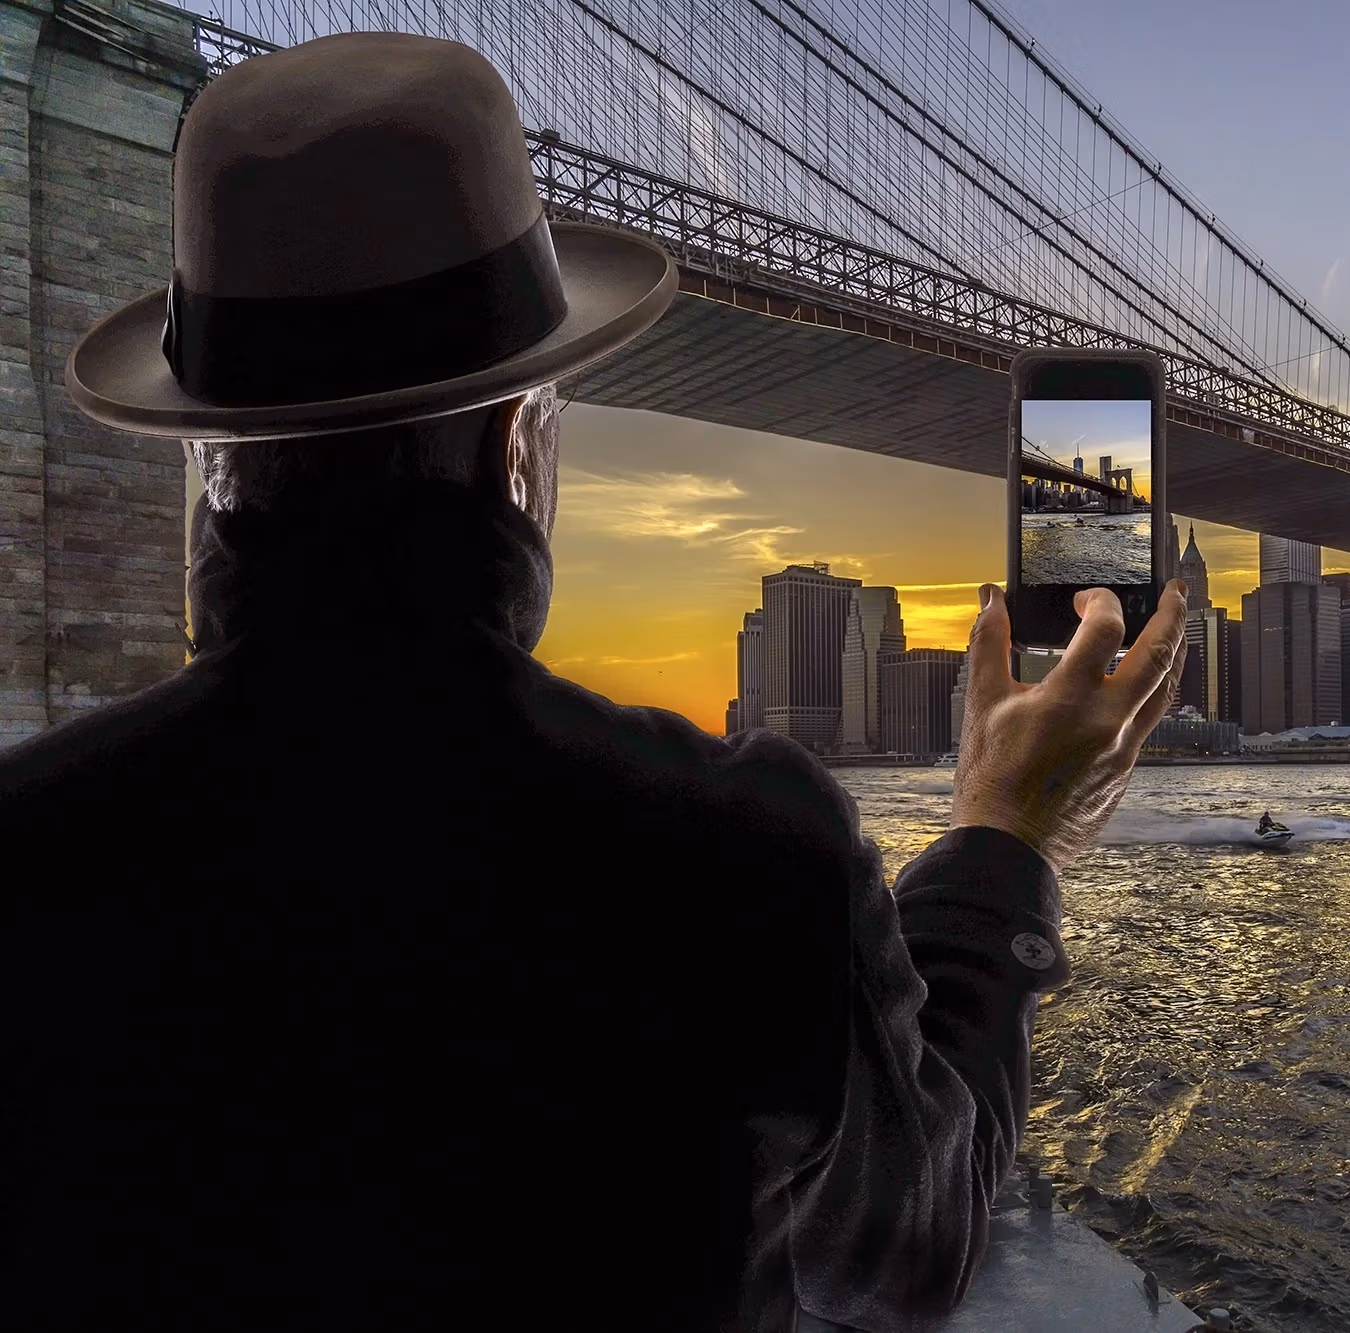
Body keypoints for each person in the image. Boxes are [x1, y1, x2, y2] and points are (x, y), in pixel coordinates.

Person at [0, 33, 1190, 1332]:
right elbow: (908, 1249)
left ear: (211, 463)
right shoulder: (736, 858)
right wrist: (1006, 838)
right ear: (521, 445)